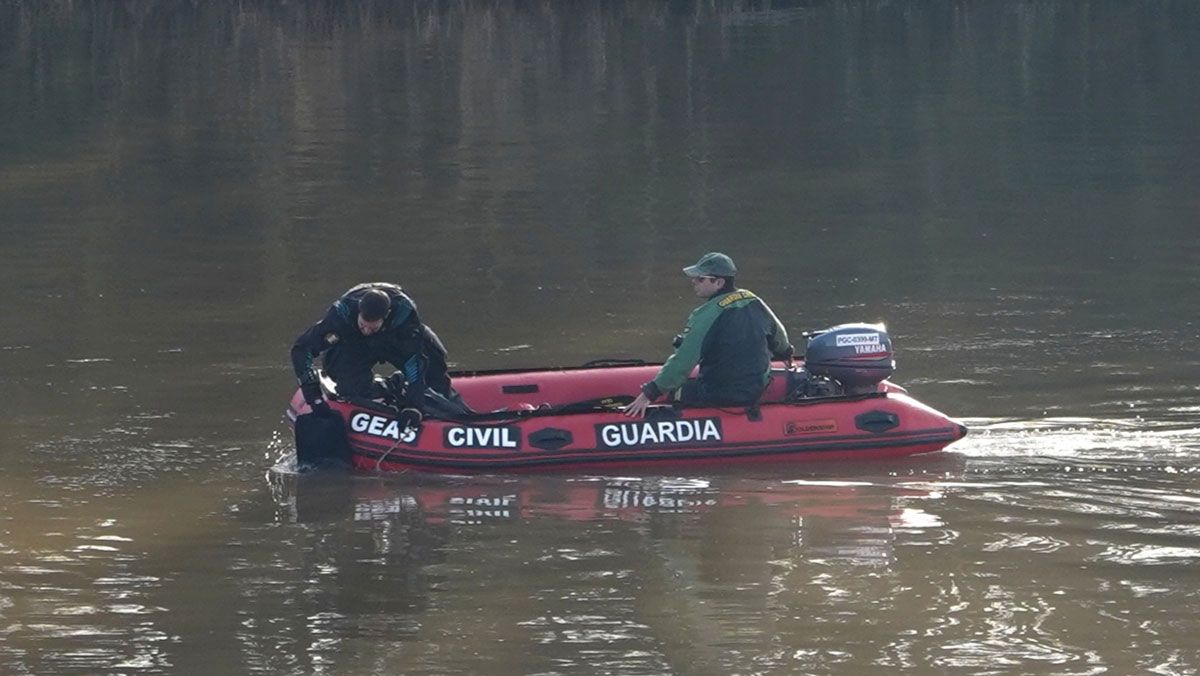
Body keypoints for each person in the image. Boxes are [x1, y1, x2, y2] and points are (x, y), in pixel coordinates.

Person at [624, 252, 793, 418]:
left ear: (718, 282)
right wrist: (785, 354)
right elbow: (780, 339)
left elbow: (683, 361)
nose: (693, 282)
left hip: (720, 393)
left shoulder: (706, 314)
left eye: (700, 278)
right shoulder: (754, 300)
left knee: (677, 392)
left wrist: (650, 393)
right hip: (756, 389)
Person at [291, 282, 456, 414]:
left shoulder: (404, 315)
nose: (367, 331)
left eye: (372, 328)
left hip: (393, 337)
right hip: (354, 342)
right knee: (350, 388)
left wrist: (413, 407)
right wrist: (313, 396)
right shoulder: (340, 316)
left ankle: (438, 404)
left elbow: (414, 360)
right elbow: (302, 349)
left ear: (386, 316)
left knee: (433, 361)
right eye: (364, 325)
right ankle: (390, 386)